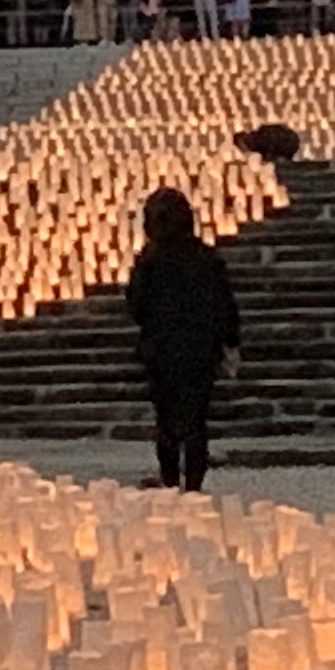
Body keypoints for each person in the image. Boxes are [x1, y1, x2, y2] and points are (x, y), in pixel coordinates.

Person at [123, 188, 239, 492]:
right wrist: (230, 341)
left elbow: (136, 306)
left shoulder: (149, 261)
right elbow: (224, 303)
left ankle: (171, 480)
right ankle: (194, 484)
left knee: (166, 419)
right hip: (200, 349)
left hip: (161, 349)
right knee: (196, 419)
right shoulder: (205, 257)